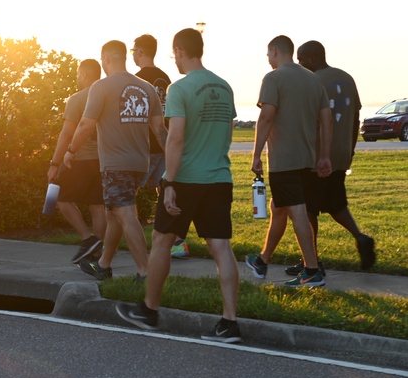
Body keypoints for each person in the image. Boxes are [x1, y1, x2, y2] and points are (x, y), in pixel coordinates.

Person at [115, 28, 242, 343]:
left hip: (186, 179)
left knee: (161, 240)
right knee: (221, 248)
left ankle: (150, 311)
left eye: (174, 53)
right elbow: (226, 134)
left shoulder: (180, 89)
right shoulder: (224, 87)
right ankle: (230, 323)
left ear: (179, 51)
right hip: (218, 177)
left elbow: (176, 137)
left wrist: (169, 181)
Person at [65, 40, 165, 281]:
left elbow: (86, 124)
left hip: (115, 163)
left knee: (126, 213)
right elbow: (160, 129)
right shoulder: (146, 88)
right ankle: (103, 264)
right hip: (140, 163)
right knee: (114, 214)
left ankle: (145, 273)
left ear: (106, 59)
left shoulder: (101, 87)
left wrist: (70, 150)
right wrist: (173, 157)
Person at [245, 35, 331, 288]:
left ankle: (312, 270)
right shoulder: (313, 79)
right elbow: (326, 120)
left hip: (284, 160)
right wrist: (324, 155)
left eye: (268, 55)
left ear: (274, 51)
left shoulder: (273, 78)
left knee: (297, 212)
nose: (268, 60)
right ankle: (262, 261)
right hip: (307, 159)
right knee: (278, 208)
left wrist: (256, 153)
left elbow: (266, 117)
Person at [295, 40, 376, 271]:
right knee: (335, 202)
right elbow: (356, 117)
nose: (300, 64)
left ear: (312, 57)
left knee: (308, 209)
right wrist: (350, 149)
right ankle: (361, 238)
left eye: (301, 60)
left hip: (317, 156)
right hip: (340, 154)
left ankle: (310, 261)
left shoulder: (311, 81)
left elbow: (306, 120)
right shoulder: (347, 78)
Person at [47, 58, 107, 264]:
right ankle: (97, 252)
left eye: (77, 74)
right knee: (97, 206)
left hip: (80, 159)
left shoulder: (77, 99)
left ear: (83, 74)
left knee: (61, 199)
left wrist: (55, 163)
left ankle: (87, 239)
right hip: (103, 159)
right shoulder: (107, 97)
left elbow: (67, 134)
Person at [132, 34, 185, 257]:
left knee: (127, 196)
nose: (133, 54)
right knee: (166, 192)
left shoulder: (136, 81)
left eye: (133, 50)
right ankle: (177, 242)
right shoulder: (166, 78)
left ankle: (130, 238)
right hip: (165, 144)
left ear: (141, 52)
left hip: (143, 146)